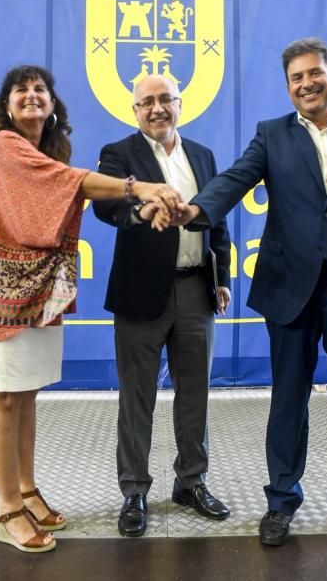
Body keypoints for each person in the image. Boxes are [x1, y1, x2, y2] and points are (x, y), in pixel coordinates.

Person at [168, 38, 327, 547]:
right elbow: (234, 179)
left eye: (314, 73)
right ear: (288, 87)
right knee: (287, 400)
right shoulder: (271, 135)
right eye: (296, 78)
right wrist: (195, 210)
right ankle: (281, 502)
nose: (306, 84)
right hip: (289, 290)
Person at [0, 65, 180, 553]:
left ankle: (27, 490)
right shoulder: (3, 146)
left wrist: (142, 202)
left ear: (53, 107)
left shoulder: (41, 153)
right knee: (4, 398)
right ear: (7, 106)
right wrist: (138, 189)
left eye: (41, 90)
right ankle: (5, 507)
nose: (32, 96)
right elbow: (69, 183)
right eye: (21, 90)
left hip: (35, 294)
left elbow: (60, 189)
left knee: (27, 395)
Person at [92, 74, 231, 537]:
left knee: (195, 393)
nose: (157, 109)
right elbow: (106, 207)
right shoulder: (118, 154)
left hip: (197, 290)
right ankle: (134, 490)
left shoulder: (204, 157)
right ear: (134, 109)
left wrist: (223, 277)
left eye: (165, 100)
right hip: (139, 293)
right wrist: (139, 210)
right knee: (138, 397)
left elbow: (218, 218)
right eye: (146, 102)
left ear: (180, 103)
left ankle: (191, 482)